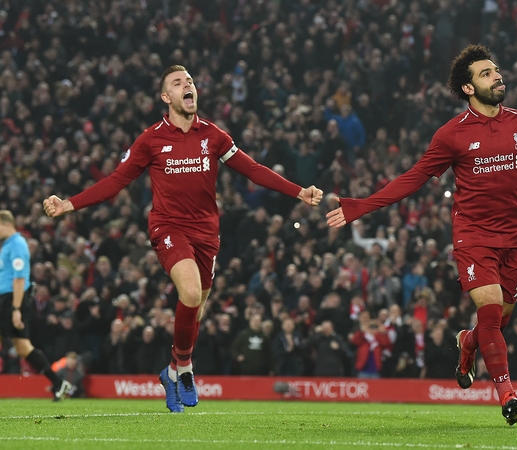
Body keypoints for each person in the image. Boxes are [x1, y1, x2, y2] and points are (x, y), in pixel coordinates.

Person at [326, 45, 517, 425]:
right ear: (469, 88)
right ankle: (507, 393)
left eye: (496, 70)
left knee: (497, 323)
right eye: (487, 73)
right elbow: (414, 177)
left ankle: (468, 343)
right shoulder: (451, 135)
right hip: (473, 236)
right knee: (490, 314)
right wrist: (361, 205)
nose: (498, 76)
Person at [42, 65, 323, 412]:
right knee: (189, 293)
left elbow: (253, 169)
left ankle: (171, 371)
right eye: (178, 83)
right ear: (166, 97)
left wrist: (299, 192)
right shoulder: (151, 139)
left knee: (197, 307)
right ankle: (186, 370)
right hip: (169, 227)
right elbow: (116, 181)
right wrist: (69, 203)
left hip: (207, 231)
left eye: (190, 80)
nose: (187, 85)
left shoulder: (213, 135)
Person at [0, 210, 72, 401]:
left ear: (6, 224)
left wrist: (15, 309)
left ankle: (58, 383)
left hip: (11, 300)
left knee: (20, 345)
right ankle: (58, 382)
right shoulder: (8, 244)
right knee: (23, 347)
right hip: (10, 299)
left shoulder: (16, 244)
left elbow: (19, 278)